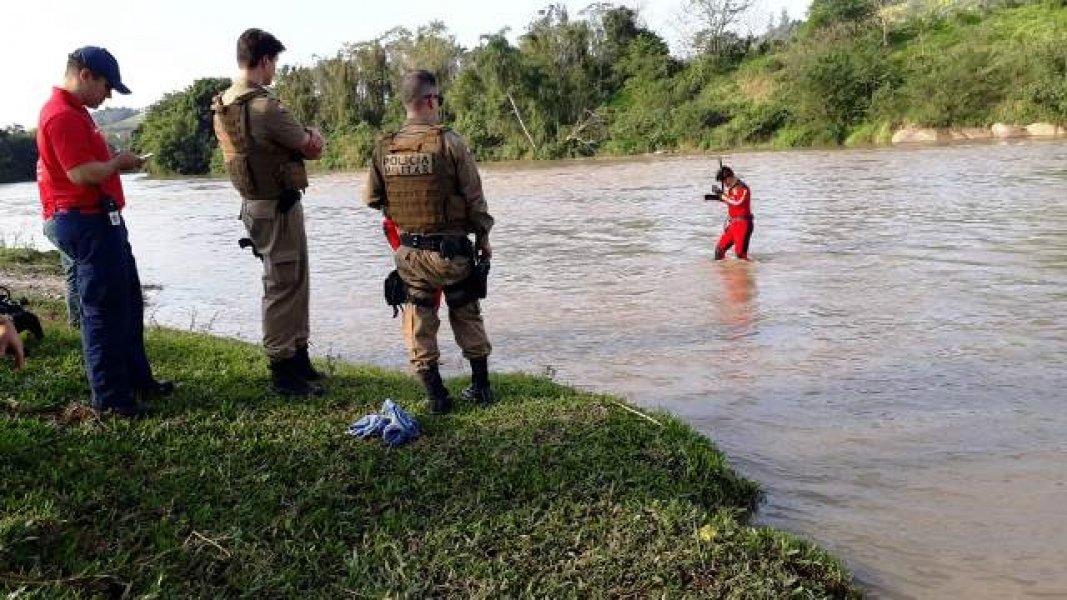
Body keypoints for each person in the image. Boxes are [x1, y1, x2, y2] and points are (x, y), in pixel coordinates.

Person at [36, 46, 173, 417]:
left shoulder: (78, 114)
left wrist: (110, 162)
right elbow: (80, 174)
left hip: (100, 219)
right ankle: (112, 400)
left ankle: (137, 381)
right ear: (84, 75)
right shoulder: (61, 116)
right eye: (106, 85)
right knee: (103, 312)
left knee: (127, 303)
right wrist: (118, 163)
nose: (108, 95)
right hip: (85, 221)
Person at [364, 70, 495, 414]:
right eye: (438, 99)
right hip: (451, 254)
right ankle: (480, 387)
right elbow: (475, 199)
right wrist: (483, 237)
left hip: (409, 254)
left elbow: (372, 199)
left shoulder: (384, 147)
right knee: (465, 311)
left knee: (419, 319)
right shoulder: (451, 142)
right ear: (430, 100)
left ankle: (437, 396)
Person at [212, 28, 326, 396]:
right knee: (282, 286)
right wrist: (315, 135)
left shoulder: (225, 103)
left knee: (292, 280)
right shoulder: (265, 106)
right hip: (277, 208)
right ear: (263, 61)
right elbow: (310, 148)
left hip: (257, 206)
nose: (275, 70)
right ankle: (283, 370)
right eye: (274, 62)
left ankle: (297, 357)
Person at [707, 165, 754, 260]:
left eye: (724, 181)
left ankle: (747, 273)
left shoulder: (742, 188)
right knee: (719, 250)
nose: (724, 184)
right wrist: (714, 197)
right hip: (733, 224)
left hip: (743, 224)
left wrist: (721, 195)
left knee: (740, 255)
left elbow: (737, 202)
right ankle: (721, 273)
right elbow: (730, 201)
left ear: (729, 177)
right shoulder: (732, 189)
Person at [41, 215, 81, 328]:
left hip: (52, 222)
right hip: (66, 221)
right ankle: (78, 321)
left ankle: (76, 321)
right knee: (79, 271)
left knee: (73, 273)